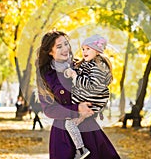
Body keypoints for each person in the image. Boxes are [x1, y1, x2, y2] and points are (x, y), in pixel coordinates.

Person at [36, 30, 120, 159]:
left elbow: (97, 88)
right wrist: (77, 109)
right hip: (62, 135)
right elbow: (49, 109)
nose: (65, 49)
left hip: (89, 129)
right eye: (59, 47)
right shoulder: (46, 76)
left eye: (66, 44)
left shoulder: (81, 65)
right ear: (49, 52)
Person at [63, 34, 112, 158]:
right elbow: (80, 72)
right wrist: (71, 72)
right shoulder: (88, 63)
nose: (84, 51)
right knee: (70, 124)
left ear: (97, 50)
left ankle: (81, 150)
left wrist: (75, 77)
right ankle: (81, 149)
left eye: (88, 48)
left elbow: (92, 85)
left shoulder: (98, 66)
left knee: (70, 124)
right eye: (83, 49)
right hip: (87, 100)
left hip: (91, 100)